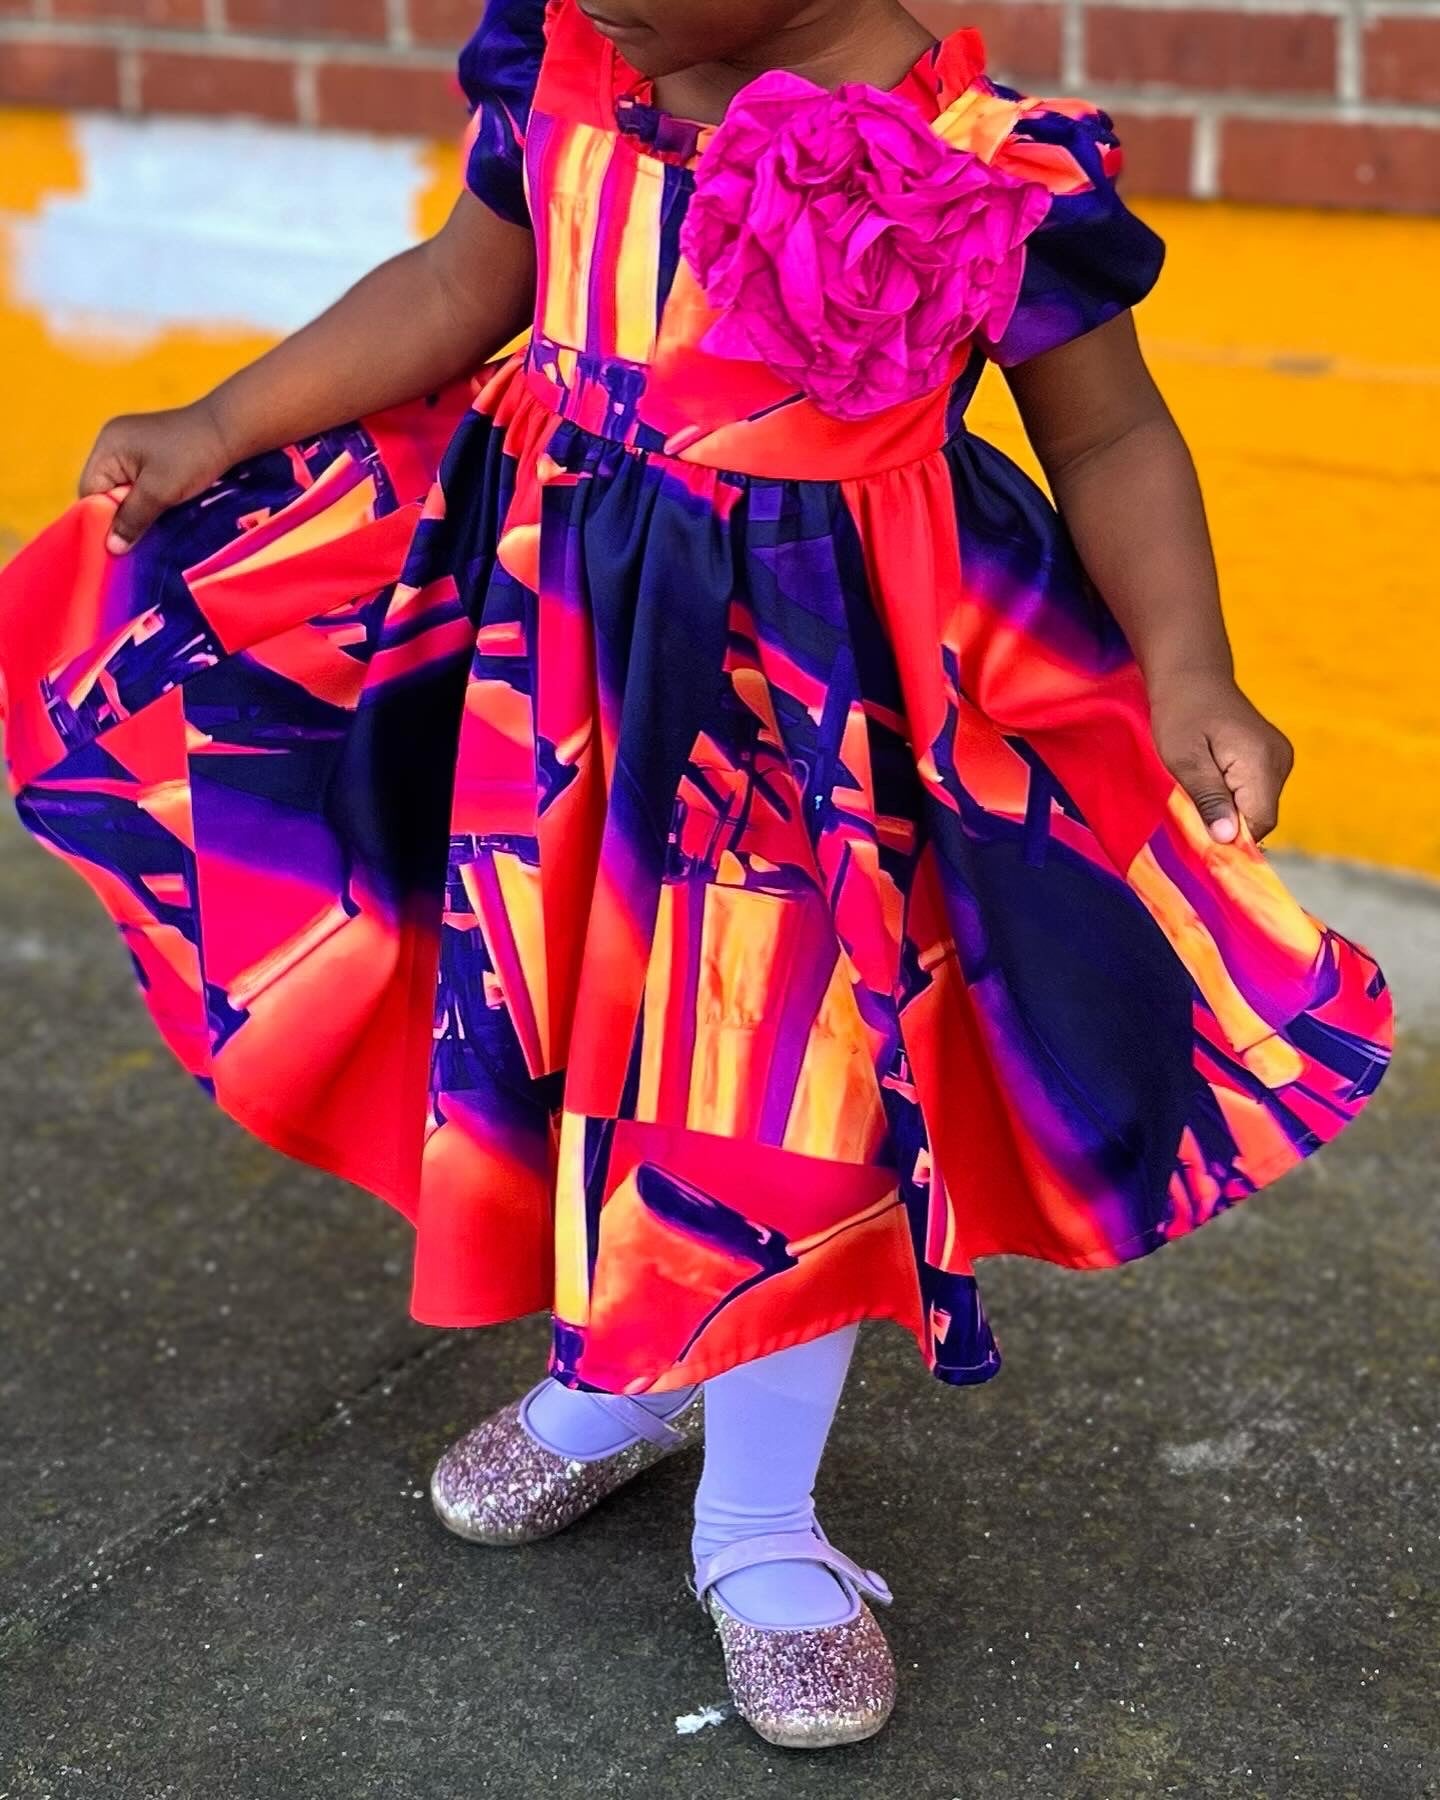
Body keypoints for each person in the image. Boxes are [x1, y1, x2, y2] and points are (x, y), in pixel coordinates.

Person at [0, 0, 1393, 1752]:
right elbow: (455, 289)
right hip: (563, 661)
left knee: (776, 1091)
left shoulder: (985, 168)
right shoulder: (576, 65)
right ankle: (617, 1383)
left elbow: (1109, 436)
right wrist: (217, 421)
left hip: (812, 707)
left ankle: (757, 1523)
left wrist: (1192, 668)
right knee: (572, 1038)